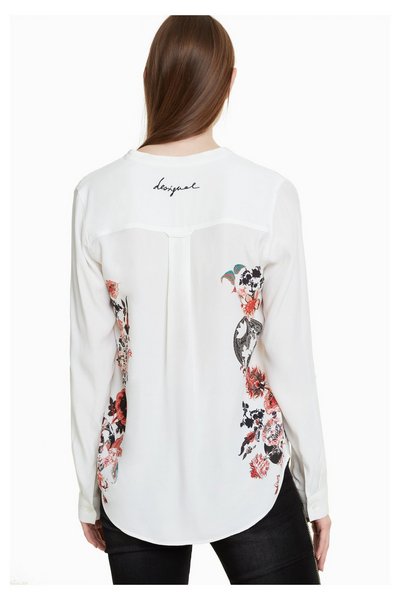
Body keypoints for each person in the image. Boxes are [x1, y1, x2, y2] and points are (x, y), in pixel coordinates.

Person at [69, 15, 332, 585]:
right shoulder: (268, 195)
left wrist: (88, 490)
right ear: (229, 80)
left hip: (134, 482)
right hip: (248, 473)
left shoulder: (96, 196)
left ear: (150, 77)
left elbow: (90, 362)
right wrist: (316, 490)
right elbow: (290, 357)